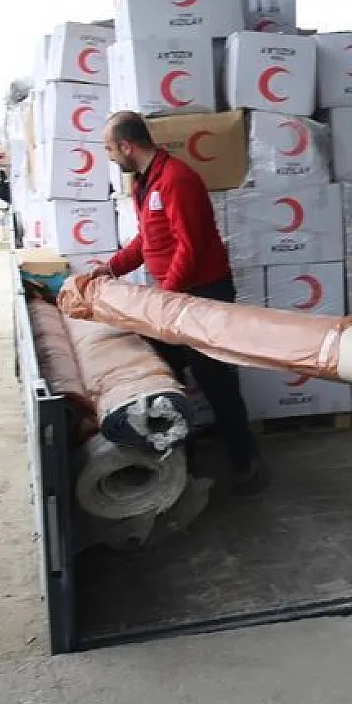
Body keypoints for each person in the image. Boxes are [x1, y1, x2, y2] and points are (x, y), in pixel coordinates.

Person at [94, 111, 267, 494]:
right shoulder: (144, 183)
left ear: (126, 145)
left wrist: (166, 297)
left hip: (204, 295)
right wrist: (108, 269)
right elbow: (147, 241)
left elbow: (190, 246)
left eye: (108, 147)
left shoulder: (176, 180)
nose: (107, 155)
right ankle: (181, 462)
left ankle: (246, 462)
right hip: (177, 295)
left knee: (214, 378)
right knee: (163, 371)